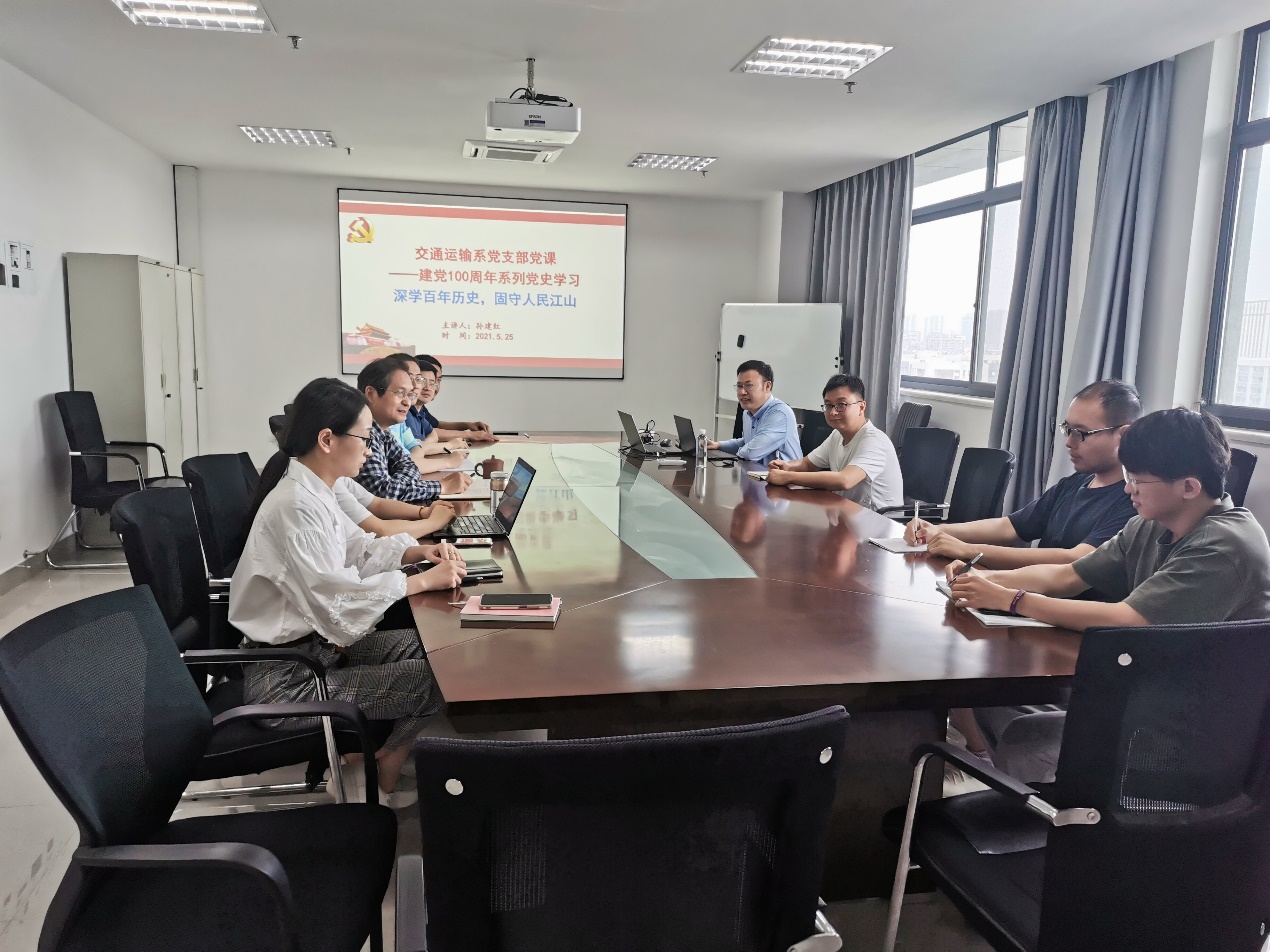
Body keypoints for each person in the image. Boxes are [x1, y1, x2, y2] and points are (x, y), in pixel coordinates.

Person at [947, 408, 1270, 781]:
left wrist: (1013, 600)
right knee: (992, 698)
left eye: (1138, 479)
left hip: (1197, 734)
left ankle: (1052, 810)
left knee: (1027, 741)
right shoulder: (1151, 525)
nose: (1128, 488)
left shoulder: (1224, 545)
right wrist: (988, 579)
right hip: (1145, 694)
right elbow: (1069, 575)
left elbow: (1128, 620)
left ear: (1188, 487)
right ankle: (1041, 796)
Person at [229, 377, 470, 803]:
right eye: (364, 438)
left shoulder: (314, 489)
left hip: (315, 653)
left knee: (434, 651)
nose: (369, 450)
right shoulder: (296, 505)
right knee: (436, 679)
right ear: (327, 439)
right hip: (286, 681)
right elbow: (337, 602)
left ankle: (374, 757)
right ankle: (382, 767)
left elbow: (358, 549)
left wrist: (417, 552)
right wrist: (419, 580)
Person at [906, 380, 1142, 569]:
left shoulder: (1135, 501)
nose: (1069, 442)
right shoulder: (1073, 484)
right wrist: (937, 530)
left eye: (1081, 433)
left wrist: (967, 550)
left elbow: (1076, 560)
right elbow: (1011, 527)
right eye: (1067, 430)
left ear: (1123, 435)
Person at [765, 374, 903, 511]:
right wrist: (788, 466)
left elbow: (845, 480)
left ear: (861, 407)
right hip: (848, 512)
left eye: (841, 405)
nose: (833, 412)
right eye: (828, 405)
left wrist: (788, 477)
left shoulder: (875, 440)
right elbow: (807, 464)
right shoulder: (837, 435)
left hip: (878, 519)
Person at [355, 357, 472, 504]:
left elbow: (409, 465)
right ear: (371, 394)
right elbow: (385, 492)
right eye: (400, 393)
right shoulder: (362, 434)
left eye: (409, 394)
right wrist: (442, 487)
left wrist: (397, 484)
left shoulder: (384, 432)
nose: (407, 402)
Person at [383, 355, 469, 473]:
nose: (416, 386)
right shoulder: (384, 425)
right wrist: (448, 459)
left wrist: (416, 456)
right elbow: (403, 467)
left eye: (418, 379)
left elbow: (418, 446)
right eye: (410, 378)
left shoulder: (400, 421)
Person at [705, 360, 801, 465]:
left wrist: (730, 457)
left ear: (767, 386)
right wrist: (718, 445)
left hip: (784, 475)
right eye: (739, 386)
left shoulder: (779, 413)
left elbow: (751, 452)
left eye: (749, 386)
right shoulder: (747, 412)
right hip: (758, 473)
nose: (742, 392)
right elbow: (747, 442)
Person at [406, 354, 497, 443]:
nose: (429, 387)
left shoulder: (420, 410)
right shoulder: (407, 410)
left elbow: (434, 427)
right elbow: (425, 440)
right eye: (422, 380)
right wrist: (469, 435)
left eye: (435, 381)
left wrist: (467, 425)